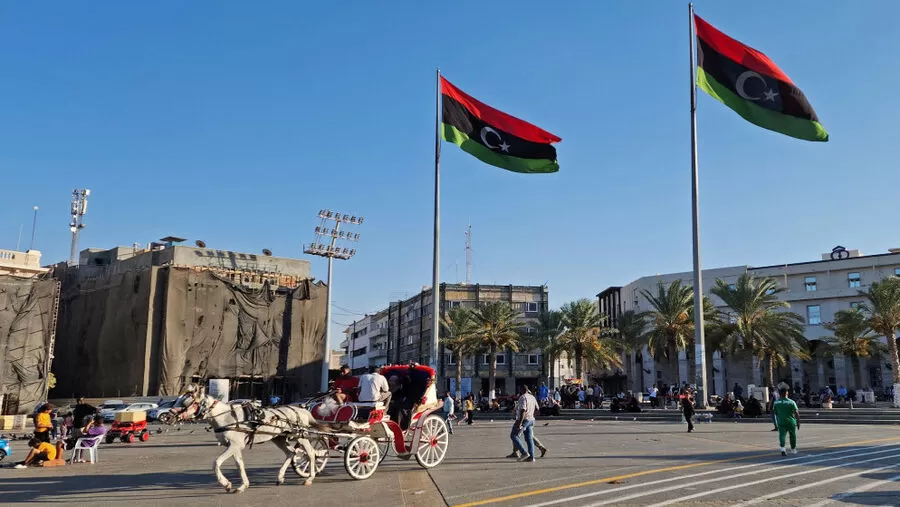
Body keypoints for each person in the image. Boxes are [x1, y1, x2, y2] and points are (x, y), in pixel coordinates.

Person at [509, 385, 538, 462]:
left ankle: (524, 453)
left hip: (524, 420)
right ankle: (532, 457)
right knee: (529, 438)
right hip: (531, 420)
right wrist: (531, 414)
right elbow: (537, 409)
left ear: (521, 390)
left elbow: (523, 410)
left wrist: (520, 422)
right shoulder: (532, 397)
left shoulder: (522, 397)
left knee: (514, 435)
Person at [773, 387, 800, 455]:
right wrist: (798, 422)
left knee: (782, 436)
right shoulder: (792, 402)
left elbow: (775, 412)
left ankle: (783, 449)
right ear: (787, 393)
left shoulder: (776, 402)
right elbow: (796, 413)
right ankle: (793, 449)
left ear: (779, 394)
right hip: (791, 422)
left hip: (781, 422)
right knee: (792, 436)